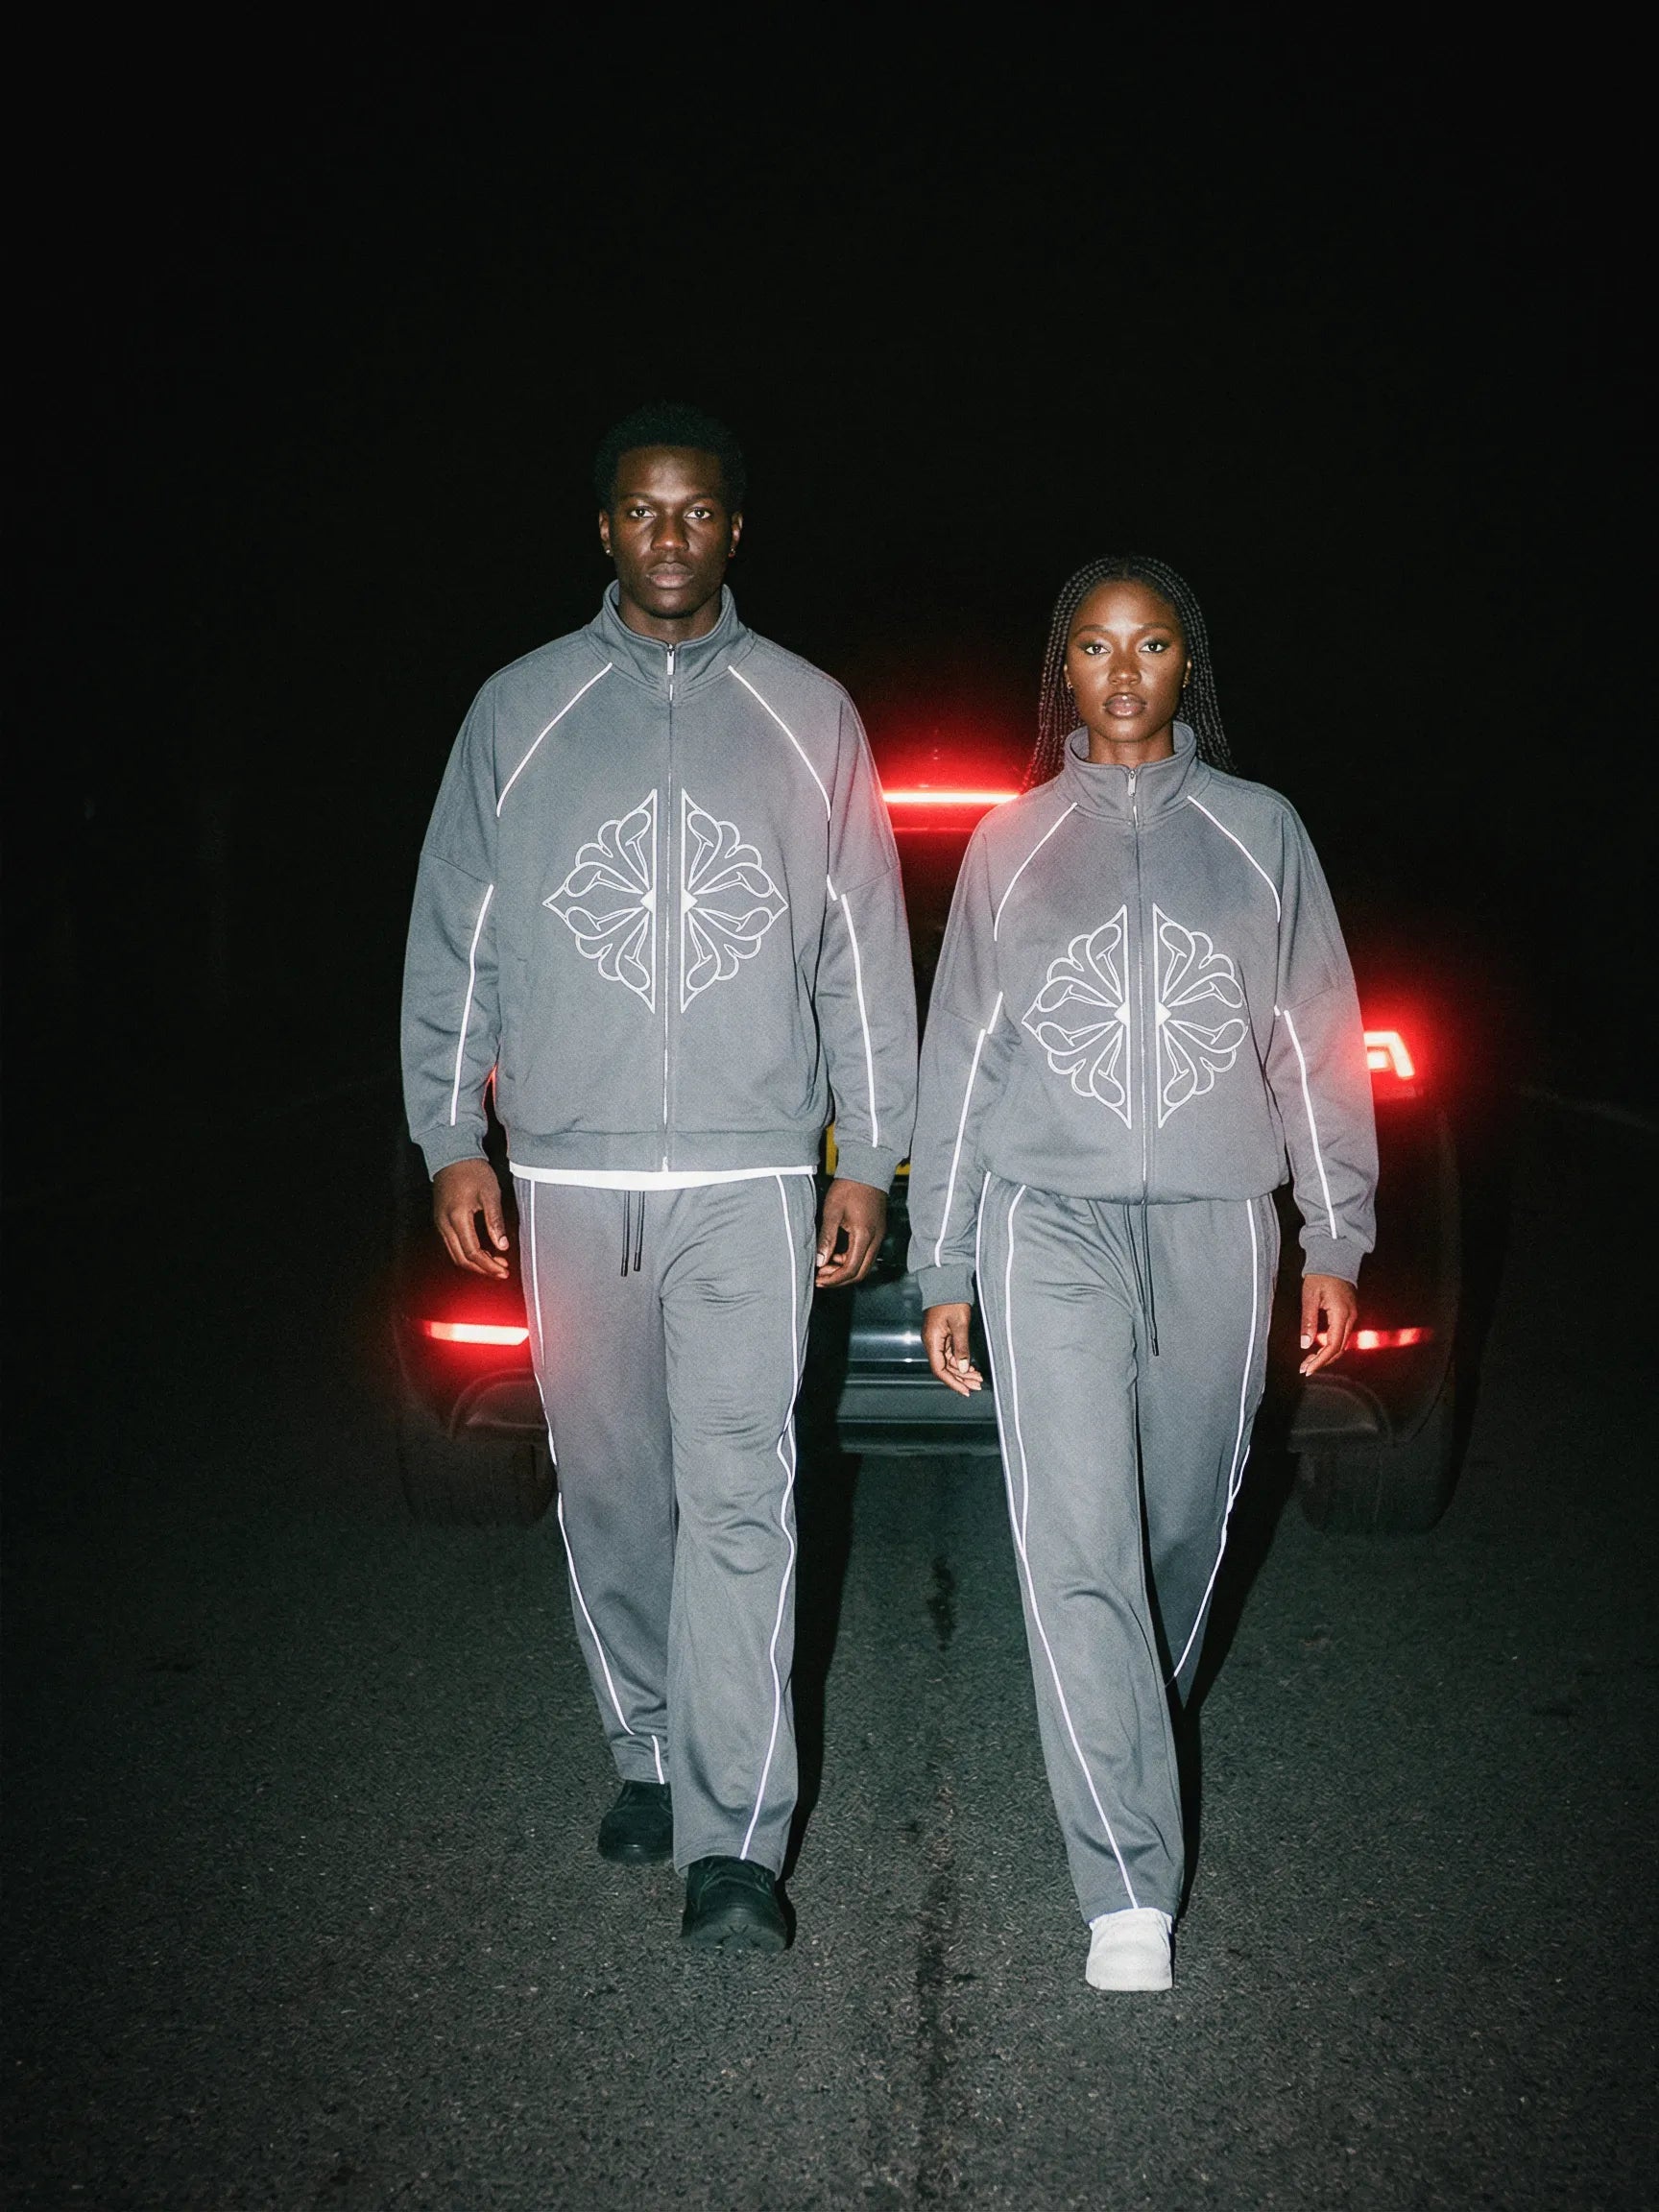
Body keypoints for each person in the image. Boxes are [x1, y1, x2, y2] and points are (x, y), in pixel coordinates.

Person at [400, 401, 917, 1953]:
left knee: (745, 1491)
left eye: (700, 513)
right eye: (644, 512)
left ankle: (736, 1839)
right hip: (567, 1174)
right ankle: (642, 1739)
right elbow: (458, 939)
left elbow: (862, 959)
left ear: (736, 531)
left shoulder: (812, 714)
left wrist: (871, 1159)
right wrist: (450, 1139)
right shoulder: (520, 710)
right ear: (605, 528)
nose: (671, 536)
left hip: (755, 1176)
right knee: (615, 1488)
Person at [906, 556, 1377, 1991]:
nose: (1124, 671)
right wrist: (944, 1256)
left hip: (1223, 1221)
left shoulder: (1261, 833)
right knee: (1078, 1542)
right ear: (1063, 672)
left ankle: (1125, 1722)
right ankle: (1124, 1886)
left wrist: (1336, 1233)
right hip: (1046, 1220)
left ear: (1189, 668)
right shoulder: (1011, 843)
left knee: (1179, 1528)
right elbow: (965, 1060)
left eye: (1154, 643)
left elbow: (1317, 1041)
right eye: (1097, 648)